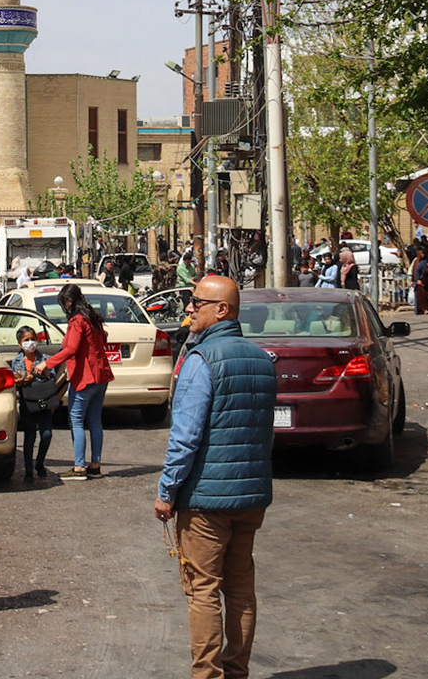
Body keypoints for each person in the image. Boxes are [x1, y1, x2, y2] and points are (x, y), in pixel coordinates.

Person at [154, 274, 277, 679]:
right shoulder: (262, 359)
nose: (189, 308)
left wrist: (167, 491)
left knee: (202, 590)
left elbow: (185, 437)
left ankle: (207, 675)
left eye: (197, 302)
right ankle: (236, 671)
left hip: (206, 502)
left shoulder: (201, 360)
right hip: (250, 498)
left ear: (221, 309)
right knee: (240, 588)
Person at [42, 282, 115, 479]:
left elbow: (71, 349)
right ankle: (95, 464)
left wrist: (47, 364)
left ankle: (79, 466)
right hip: (101, 375)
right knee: (94, 420)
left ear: (68, 302)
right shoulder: (93, 318)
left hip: (85, 377)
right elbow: (102, 339)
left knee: (76, 420)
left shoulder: (77, 321)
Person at [11, 327, 63, 481]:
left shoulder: (45, 358)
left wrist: (40, 373)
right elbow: (16, 379)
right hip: (28, 403)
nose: (31, 343)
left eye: (33, 339)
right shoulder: (17, 361)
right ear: (20, 344)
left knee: (47, 434)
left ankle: (39, 463)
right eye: (26, 340)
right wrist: (21, 381)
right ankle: (28, 470)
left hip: (44, 401)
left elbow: (51, 376)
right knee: (29, 437)